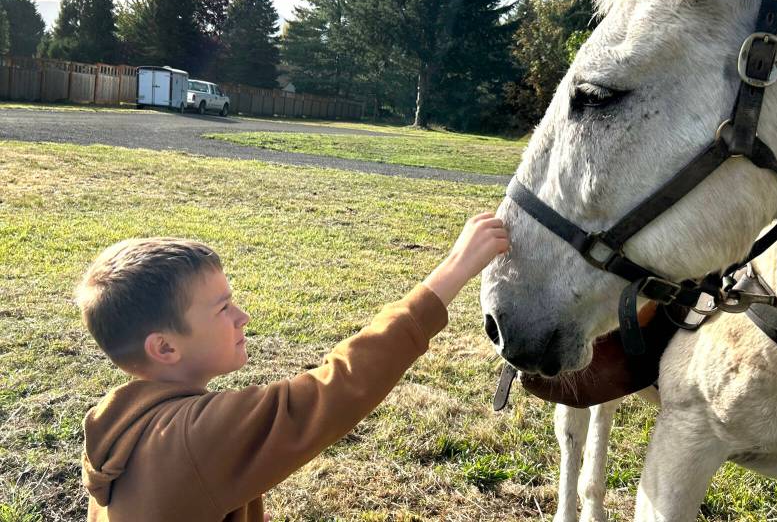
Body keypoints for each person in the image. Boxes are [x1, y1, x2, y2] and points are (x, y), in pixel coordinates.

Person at [76, 213, 508, 521]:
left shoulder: (121, 427)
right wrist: (455, 268)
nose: (242, 316)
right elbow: (337, 387)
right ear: (165, 347)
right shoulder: (192, 439)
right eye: (223, 307)